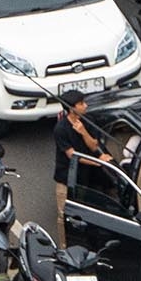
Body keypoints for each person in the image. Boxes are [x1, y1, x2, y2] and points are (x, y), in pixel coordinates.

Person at [50, 89, 109, 240]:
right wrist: (97, 162)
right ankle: (64, 245)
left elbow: (94, 146)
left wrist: (84, 132)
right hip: (66, 178)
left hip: (85, 177)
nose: (86, 106)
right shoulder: (61, 129)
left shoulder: (87, 121)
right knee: (63, 215)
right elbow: (73, 156)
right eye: (81, 103)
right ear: (72, 108)